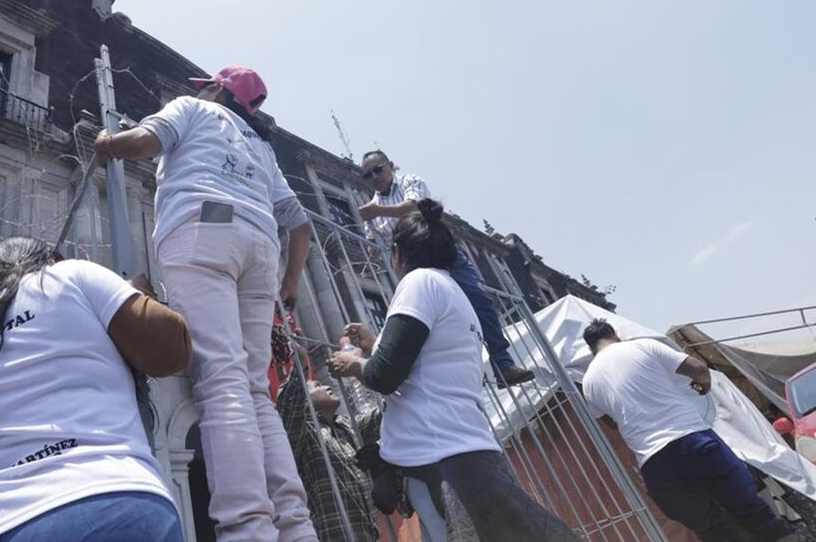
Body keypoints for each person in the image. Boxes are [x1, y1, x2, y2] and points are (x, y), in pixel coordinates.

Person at [94, 66, 318, 542]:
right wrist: (291, 284)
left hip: (204, 226)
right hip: (261, 245)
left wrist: (108, 144)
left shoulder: (192, 108)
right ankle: (296, 529)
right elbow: (300, 226)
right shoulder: (262, 146)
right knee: (257, 392)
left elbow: (147, 141)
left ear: (218, 88)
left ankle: (247, 529)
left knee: (220, 380)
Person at [328, 199, 577, 542]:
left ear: (397, 252)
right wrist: (374, 345)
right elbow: (426, 366)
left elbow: (385, 376)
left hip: (440, 457)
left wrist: (353, 362)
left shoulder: (418, 284)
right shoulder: (452, 292)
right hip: (461, 450)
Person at [0, 237, 192, 542]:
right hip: (103, 498)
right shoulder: (68, 276)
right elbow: (172, 350)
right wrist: (135, 297)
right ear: (47, 260)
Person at [581, 320, 795, 542]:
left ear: (591, 348)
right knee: (751, 510)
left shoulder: (588, 382)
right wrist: (698, 389)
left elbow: (610, 422)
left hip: (655, 465)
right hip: (692, 440)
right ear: (615, 334)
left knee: (713, 530)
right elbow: (699, 370)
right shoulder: (641, 346)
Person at [356, 150, 533, 388]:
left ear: (391, 165)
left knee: (479, 300)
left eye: (378, 169)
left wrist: (378, 213)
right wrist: (374, 247)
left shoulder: (409, 181)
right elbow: (374, 242)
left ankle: (503, 363)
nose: (375, 176)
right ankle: (464, 374)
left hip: (439, 248)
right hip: (413, 263)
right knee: (432, 316)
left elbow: (414, 206)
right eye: (368, 175)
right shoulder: (373, 208)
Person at [277, 340, 380, 542]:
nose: (325, 385)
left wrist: (369, 358)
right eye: (316, 385)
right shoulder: (304, 433)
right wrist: (299, 359)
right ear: (305, 400)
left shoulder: (347, 426)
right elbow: (290, 403)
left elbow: (384, 415)